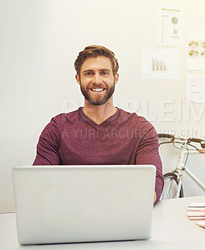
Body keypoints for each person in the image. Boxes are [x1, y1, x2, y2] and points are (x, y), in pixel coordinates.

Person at [33, 45, 164, 203]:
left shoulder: (142, 129)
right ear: (78, 79)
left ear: (115, 78)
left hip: (125, 221)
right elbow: (38, 187)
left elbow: (152, 190)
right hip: (70, 220)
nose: (96, 80)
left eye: (104, 73)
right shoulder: (56, 129)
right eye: (89, 73)